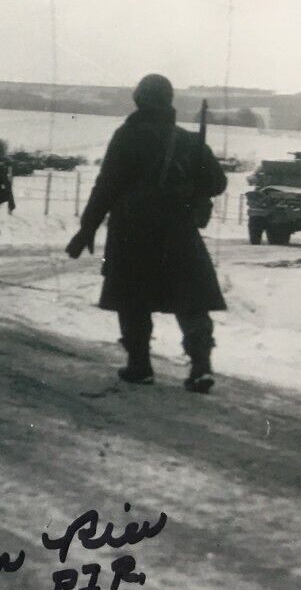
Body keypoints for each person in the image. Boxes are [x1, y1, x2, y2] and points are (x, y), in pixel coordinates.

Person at [65, 73, 226, 392]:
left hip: (133, 230)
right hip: (179, 230)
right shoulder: (188, 140)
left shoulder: (128, 135)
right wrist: (193, 188)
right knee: (190, 300)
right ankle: (201, 366)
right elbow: (218, 183)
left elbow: (107, 185)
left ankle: (139, 365)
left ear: (139, 99)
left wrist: (87, 228)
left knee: (132, 298)